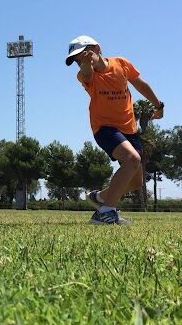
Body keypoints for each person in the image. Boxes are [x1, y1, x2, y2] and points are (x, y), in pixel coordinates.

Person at [65, 35, 164, 225]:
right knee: (132, 159)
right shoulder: (86, 75)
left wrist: (158, 105)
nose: (81, 62)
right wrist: (85, 64)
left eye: (84, 55)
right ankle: (105, 212)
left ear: (97, 48)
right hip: (104, 128)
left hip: (129, 129)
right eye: (77, 60)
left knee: (136, 182)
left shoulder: (122, 64)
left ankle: (99, 198)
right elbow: (86, 74)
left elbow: (140, 84)